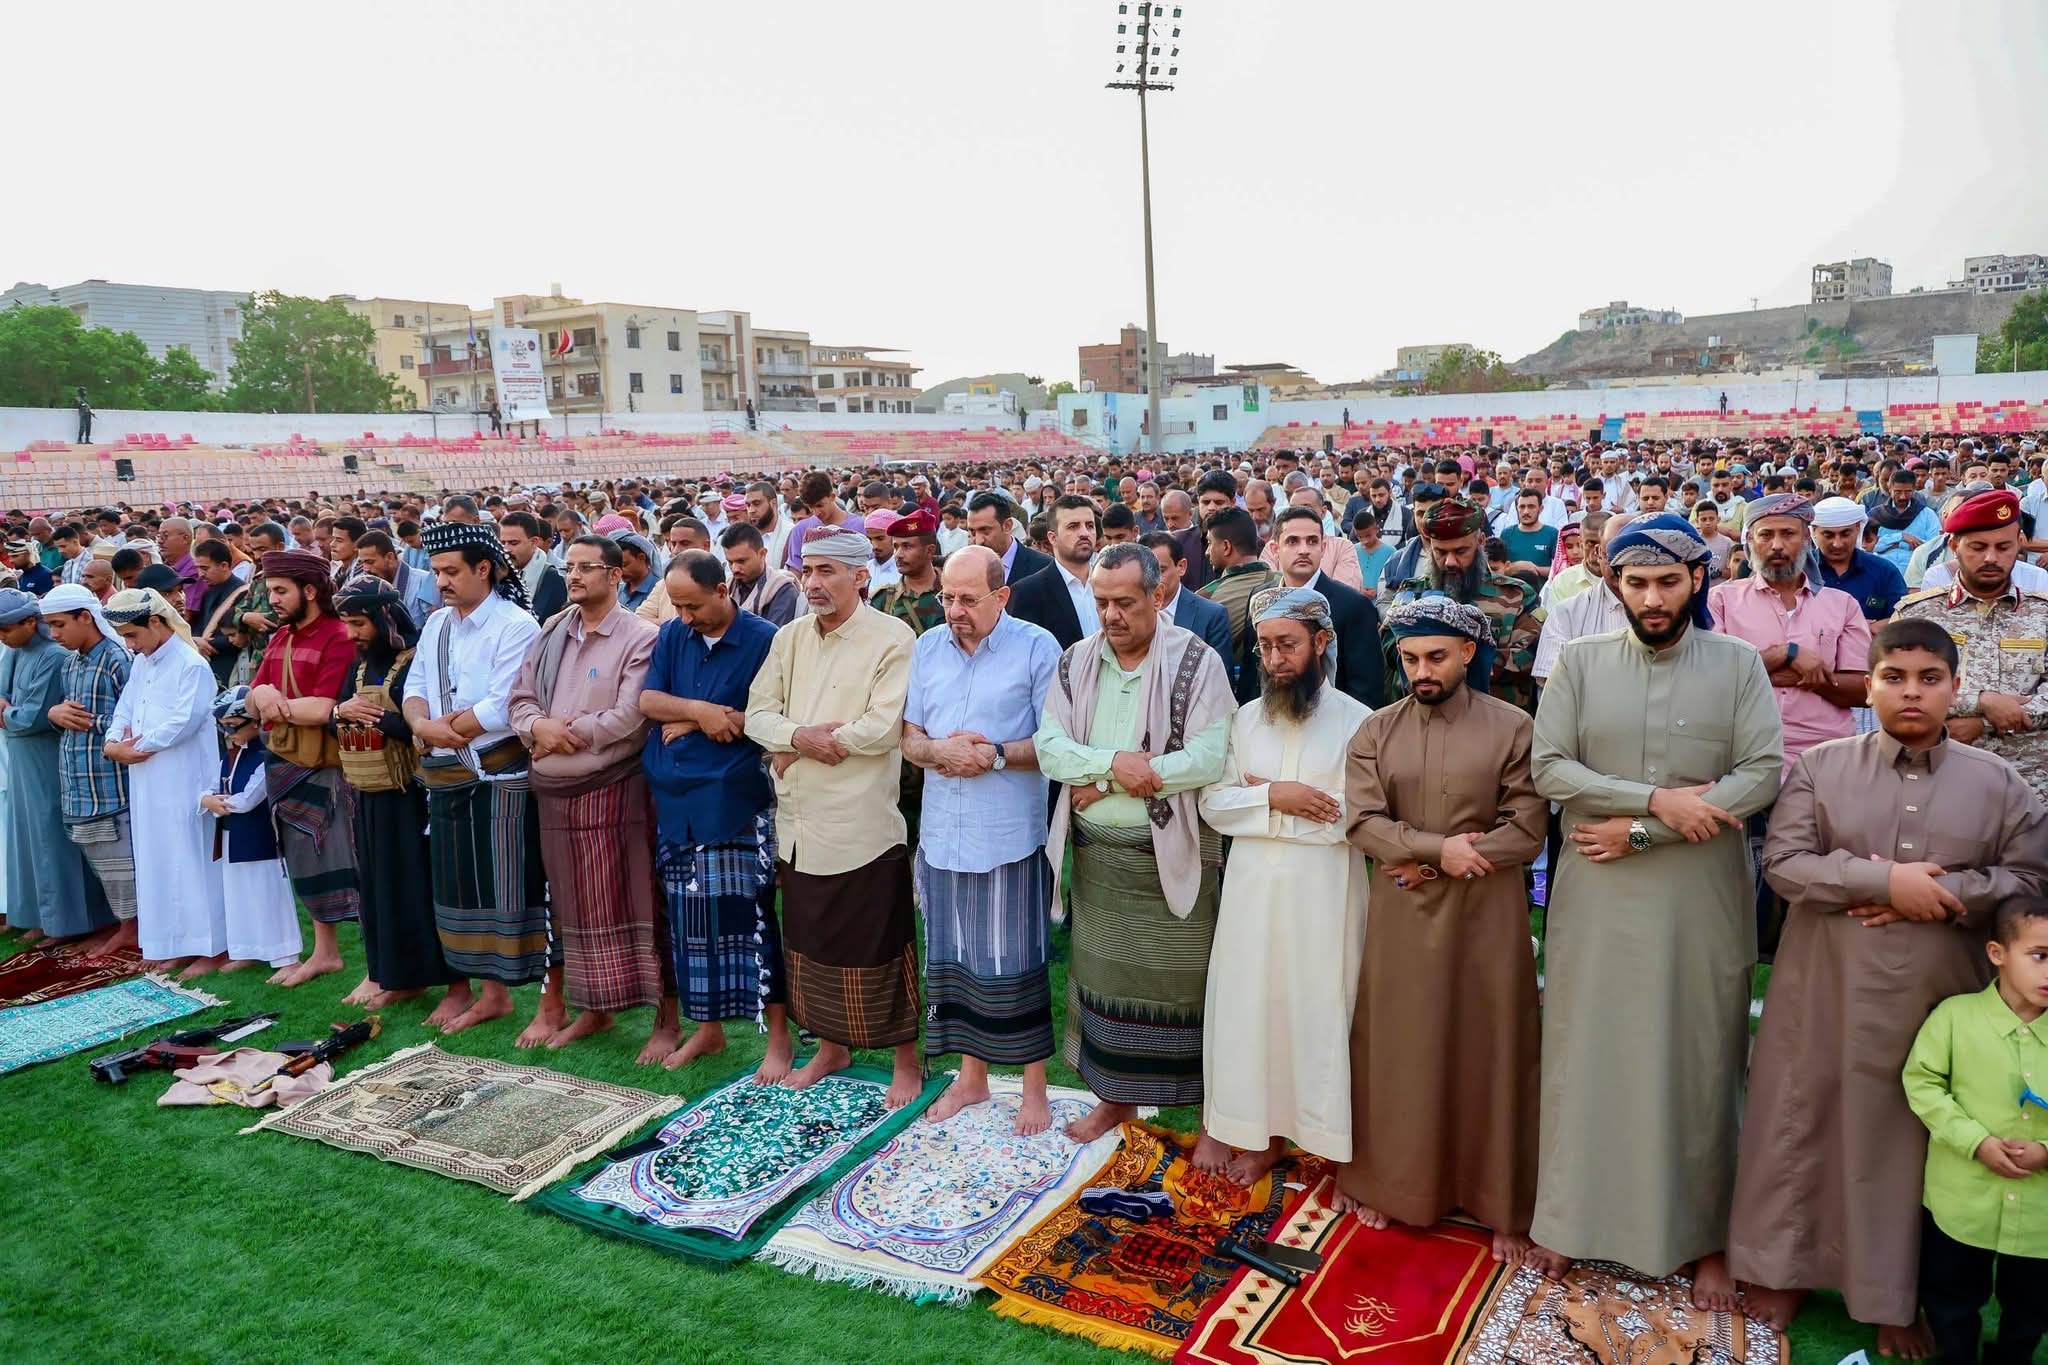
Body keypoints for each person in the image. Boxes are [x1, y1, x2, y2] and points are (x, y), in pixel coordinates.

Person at [1729, 619, 2048, 1352]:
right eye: (1894, 677)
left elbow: (2031, 878)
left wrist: (1937, 893)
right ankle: (1783, 1266)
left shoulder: (1997, 781)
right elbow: (1784, 861)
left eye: (1928, 678)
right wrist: (1881, 878)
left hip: (1933, 994)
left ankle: (1891, 1293)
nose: (1911, 692)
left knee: (1909, 1135)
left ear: (1953, 685)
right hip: (1826, 982)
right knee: (1801, 1114)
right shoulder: (1820, 765)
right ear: (1868, 685)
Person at [1527, 513, 1785, 1309]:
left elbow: (1762, 771)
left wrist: (1644, 827)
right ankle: (1568, 1220)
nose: (1652, 597)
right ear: (1616, 585)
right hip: (1597, 896)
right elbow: (1549, 766)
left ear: (1697, 579)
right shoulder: (1579, 660)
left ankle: (1705, 1238)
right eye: (1636, 582)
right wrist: (1661, 797)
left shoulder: (1738, 663)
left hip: (1695, 894)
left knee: (1699, 1060)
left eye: (1668, 581)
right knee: (1587, 1051)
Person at [1340, 596, 1545, 1261]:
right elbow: (1363, 821)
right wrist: (1438, 850)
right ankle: (1392, 1182)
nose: (1420, 670)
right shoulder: (1376, 730)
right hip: (1404, 912)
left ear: (1466, 654)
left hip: (1486, 914)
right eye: (1408, 659)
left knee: (1492, 1046)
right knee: (1400, 1046)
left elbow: (1527, 827)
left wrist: (1439, 858)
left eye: (1434, 656)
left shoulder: (1513, 727)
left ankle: (1500, 1202)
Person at [1036, 542, 1234, 1154]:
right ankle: (1116, 1099)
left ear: (1157, 595)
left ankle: (1212, 1121)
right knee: (1104, 982)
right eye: (1101, 602)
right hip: (1100, 863)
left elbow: (1207, 757)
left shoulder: (1197, 662)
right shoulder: (1075, 662)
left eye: (1125, 602)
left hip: (1173, 860)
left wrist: (1098, 777)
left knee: (1190, 992)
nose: (1112, 615)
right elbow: (1050, 747)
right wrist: (1114, 767)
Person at [1198, 586, 1372, 1183]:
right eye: (1266, 646)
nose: (1275, 658)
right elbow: (1213, 805)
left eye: (1288, 645)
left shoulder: (1361, 723)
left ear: (1321, 643)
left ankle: (1323, 1136)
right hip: (1251, 895)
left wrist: (1271, 805)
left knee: (1319, 1009)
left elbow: (1360, 818)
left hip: (1325, 896)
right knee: (1252, 1010)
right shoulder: (1243, 722)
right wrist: (1276, 795)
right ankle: (1258, 1134)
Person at [744, 527, 922, 1105]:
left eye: (826, 572)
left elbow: (882, 726)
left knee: (880, 945)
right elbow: (756, 715)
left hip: (862, 823)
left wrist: (810, 744)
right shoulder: (790, 637)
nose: (813, 583)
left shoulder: (893, 637)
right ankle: (830, 1046)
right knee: (810, 946)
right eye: (806, 571)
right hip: (799, 825)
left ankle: (906, 1060)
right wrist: (797, 735)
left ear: (860, 576)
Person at [902, 546, 1062, 1133]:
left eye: (968, 599)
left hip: (1008, 835)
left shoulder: (1037, 648)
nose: (955, 610)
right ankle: (971, 1079)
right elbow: (910, 738)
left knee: (1017, 962)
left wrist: (994, 755)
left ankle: (1033, 1088)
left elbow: (1056, 744)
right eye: (947, 597)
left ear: (1003, 596)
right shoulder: (927, 647)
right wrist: (937, 751)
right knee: (956, 959)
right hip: (943, 833)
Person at [507, 533, 669, 1056]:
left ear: (615, 576)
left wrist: (562, 732)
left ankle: (665, 1019)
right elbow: (520, 698)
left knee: (636, 900)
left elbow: (631, 715)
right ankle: (592, 1010)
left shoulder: (640, 636)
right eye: (569, 566)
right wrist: (538, 728)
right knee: (571, 907)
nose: (573, 576)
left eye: (586, 567)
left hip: (614, 789)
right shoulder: (553, 629)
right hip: (554, 789)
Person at [403, 521, 560, 1042]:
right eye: (437, 572)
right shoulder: (436, 625)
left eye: (451, 572)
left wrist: (443, 732)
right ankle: (489, 996)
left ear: (484, 570)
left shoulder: (515, 624)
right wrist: (423, 725)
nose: (441, 582)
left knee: (515, 890)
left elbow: (504, 703)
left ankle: (543, 1001)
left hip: (502, 777)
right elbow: (417, 685)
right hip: (447, 777)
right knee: (459, 889)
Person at [638, 550, 790, 1076]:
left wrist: (712, 720)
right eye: (677, 606)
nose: (685, 617)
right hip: (676, 802)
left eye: (694, 606)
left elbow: (776, 719)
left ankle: (779, 1041)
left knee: (750, 923)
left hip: (733, 802)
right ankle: (708, 1030)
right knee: (689, 925)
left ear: (723, 590)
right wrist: (699, 711)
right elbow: (649, 701)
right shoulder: (674, 635)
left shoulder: (766, 639)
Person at [1708, 493, 1872, 954]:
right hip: (1739, 754)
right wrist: (1791, 656)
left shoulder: (1841, 605)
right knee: (1739, 863)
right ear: (1749, 541)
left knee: (1809, 860)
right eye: (1766, 535)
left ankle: (1799, 949)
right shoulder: (1721, 600)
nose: (1777, 545)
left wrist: (1767, 672)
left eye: (1788, 533)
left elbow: (1861, 688)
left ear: (1806, 540)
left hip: (1820, 758)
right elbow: (1713, 679)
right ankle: (1746, 944)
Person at [1903, 898, 2048, 1365]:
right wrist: (1975, 1142)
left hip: (2040, 1220)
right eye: (2040, 955)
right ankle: (1958, 1356)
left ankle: (2013, 1357)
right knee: (1950, 1296)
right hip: (1961, 1201)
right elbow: (1922, 1083)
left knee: (2033, 1304)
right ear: (1997, 953)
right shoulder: (1954, 1017)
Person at [331, 578, 461, 1012]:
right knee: (377, 886)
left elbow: (421, 726)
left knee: (414, 886)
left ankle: (425, 977)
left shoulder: (412, 662)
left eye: (359, 624)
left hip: (410, 794)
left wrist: (376, 720)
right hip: (369, 791)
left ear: (384, 619)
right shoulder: (360, 666)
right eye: (347, 624)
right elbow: (339, 713)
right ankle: (390, 974)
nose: (352, 634)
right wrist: (342, 713)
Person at [244, 549, 361, 990]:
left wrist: (275, 704)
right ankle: (325, 953)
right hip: (284, 762)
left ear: (309, 591)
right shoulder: (279, 637)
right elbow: (251, 695)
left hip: (328, 765)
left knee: (350, 860)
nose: (271, 599)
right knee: (303, 860)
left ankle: (378, 966)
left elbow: (329, 707)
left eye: (279, 590)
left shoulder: (338, 635)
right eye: (269, 590)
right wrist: (267, 696)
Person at [102, 588, 228, 976]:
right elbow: (125, 707)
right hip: (147, 777)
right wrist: (112, 741)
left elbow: (184, 721)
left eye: (132, 635)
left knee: (190, 858)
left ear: (155, 622)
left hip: (184, 776)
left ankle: (210, 948)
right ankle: (170, 943)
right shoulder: (142, 662)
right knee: (157, 858)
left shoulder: (191, 664)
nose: (130, 644)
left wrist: (132, 747)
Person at [1896, 489, 2048, 802]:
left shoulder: (2043, 613)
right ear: (1954, 546)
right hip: (1940, 784)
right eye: (1978, 547)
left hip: (2030, 788)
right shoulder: (1917, 616)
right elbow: (1896, 691)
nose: (1991, 558)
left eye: (2003, 547)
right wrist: (1980, 700)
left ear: (2020, 543)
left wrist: (1983, 722)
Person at [38, 585, 135, 955]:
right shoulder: (71, 661)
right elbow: (66, 713)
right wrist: (53, 713)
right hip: (77, 781)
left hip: (110, 784)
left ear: (85, 617)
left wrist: (88, 721)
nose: (54, 634)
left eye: (60, 624)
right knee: (100, 862)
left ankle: (132, 929)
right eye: (50, 625)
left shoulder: (116, 658)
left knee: (121, 863)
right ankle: (121, 926)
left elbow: (131, 722)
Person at [0, 588, 100, 944]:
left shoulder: (53, 656)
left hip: (46, 756)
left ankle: (66, 922)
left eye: (6, 628)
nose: (2, 637)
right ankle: (36, 915)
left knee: (50, 836)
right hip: (22, 758)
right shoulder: (16, 651)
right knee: (26, 837)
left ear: (30, 622)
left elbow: (32, 717)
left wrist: (7, 712)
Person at [1383, 497, 1540, 713]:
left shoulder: (1517, 596)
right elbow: (1390, 647)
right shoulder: (1411, 593)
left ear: (1481, 542)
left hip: (1492, 720)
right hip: (1423, 719)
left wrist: (1448, 662)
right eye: (1440, 552)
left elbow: (1528, 658)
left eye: (1460, 552)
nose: (1449, 562)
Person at [199, 687, 304, 975]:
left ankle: (286, 957)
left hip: (261, 837)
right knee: (238, 895)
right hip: (233, 835)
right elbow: (211, 787)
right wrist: (207, 799)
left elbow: (248, 799)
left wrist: (214, 802)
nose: (227, 733)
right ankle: (247, 949)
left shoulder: (266, 755)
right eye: (223, 727)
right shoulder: (231, 756)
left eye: (232, 726)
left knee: (267, 894)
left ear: (255, 722)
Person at [1265, 506, 1385, 708]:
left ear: (1323, 547)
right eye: (1292, 541)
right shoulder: (1262, 599)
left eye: (1312, 541)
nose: (1303, 550)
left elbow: (1366, 691)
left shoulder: (1354, 605)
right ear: (1275, 549)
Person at [1200, 506, 1279, 705]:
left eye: (1210, 544)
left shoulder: (1205, 598)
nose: (1207, 552)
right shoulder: (1284, 584)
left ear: (1226, 547)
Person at [1005, 494, 1100, 651]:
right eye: (1073, 526)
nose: (1084, 533)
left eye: (1090, 525)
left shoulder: (1112, 584)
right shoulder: (1028, 593)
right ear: (1052, 537)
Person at [1139, 531, 1233, 674]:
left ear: (1181, 566)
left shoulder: (1211, 615)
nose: (1152, 579)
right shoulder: (1131, 612)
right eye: (1145, 571)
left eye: (1160, 570)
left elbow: (1220, 681)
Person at [1814, 495, 1908, 621]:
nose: (1837, 543)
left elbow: (1902, 616)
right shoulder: (1799, 571)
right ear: (1814, 532)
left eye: (1845, 534)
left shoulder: (1884, 571)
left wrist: (1874, 628)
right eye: (1828, 535)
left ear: (1858, 529)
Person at [871, 508, 943, 635]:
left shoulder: (950, 594)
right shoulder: (883, 599)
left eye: (907, 546)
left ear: (930, 550)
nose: (898, 555)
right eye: (896, 547)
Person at [191, 540, 253, 687]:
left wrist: (202, 642)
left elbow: (240, 637)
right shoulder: (209, 590)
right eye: (198, 568)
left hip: (230, 667)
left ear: (224, 566)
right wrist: (195, 639)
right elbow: (200, 625)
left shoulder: (243, 593)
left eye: (205, 568)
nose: (200, 574)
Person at [354, 529, 440, 628]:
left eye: (370, 562)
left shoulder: (424, 582)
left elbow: (432, 631)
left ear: (390, 557)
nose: (366, 569)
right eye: (362, 563)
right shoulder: (367, 587)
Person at [720, 521, 800, 627]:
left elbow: (772, 639)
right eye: (730, 562)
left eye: (741, 561)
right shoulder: (727, 586)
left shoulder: (782, 590)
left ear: (762, 554)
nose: (735, 569)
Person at [966, 491, 1051, 584]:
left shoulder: (1045, 568)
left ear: (1007, 526)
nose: (978, 541)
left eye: (985, 530)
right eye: (973, 532)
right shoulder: (965, 567)